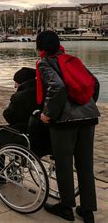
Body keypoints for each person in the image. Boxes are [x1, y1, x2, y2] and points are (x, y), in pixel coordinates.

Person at [37, 31, 99, 223]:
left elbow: (58, 87)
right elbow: (94, 83)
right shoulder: (72, 59)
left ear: (41, 47)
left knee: (64, 164)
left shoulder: (45, 63)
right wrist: (87, 104)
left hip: (64, 121)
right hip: (89, 117)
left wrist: (48, 113)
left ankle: (66, 208)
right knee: (85, 164)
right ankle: (87, 211)